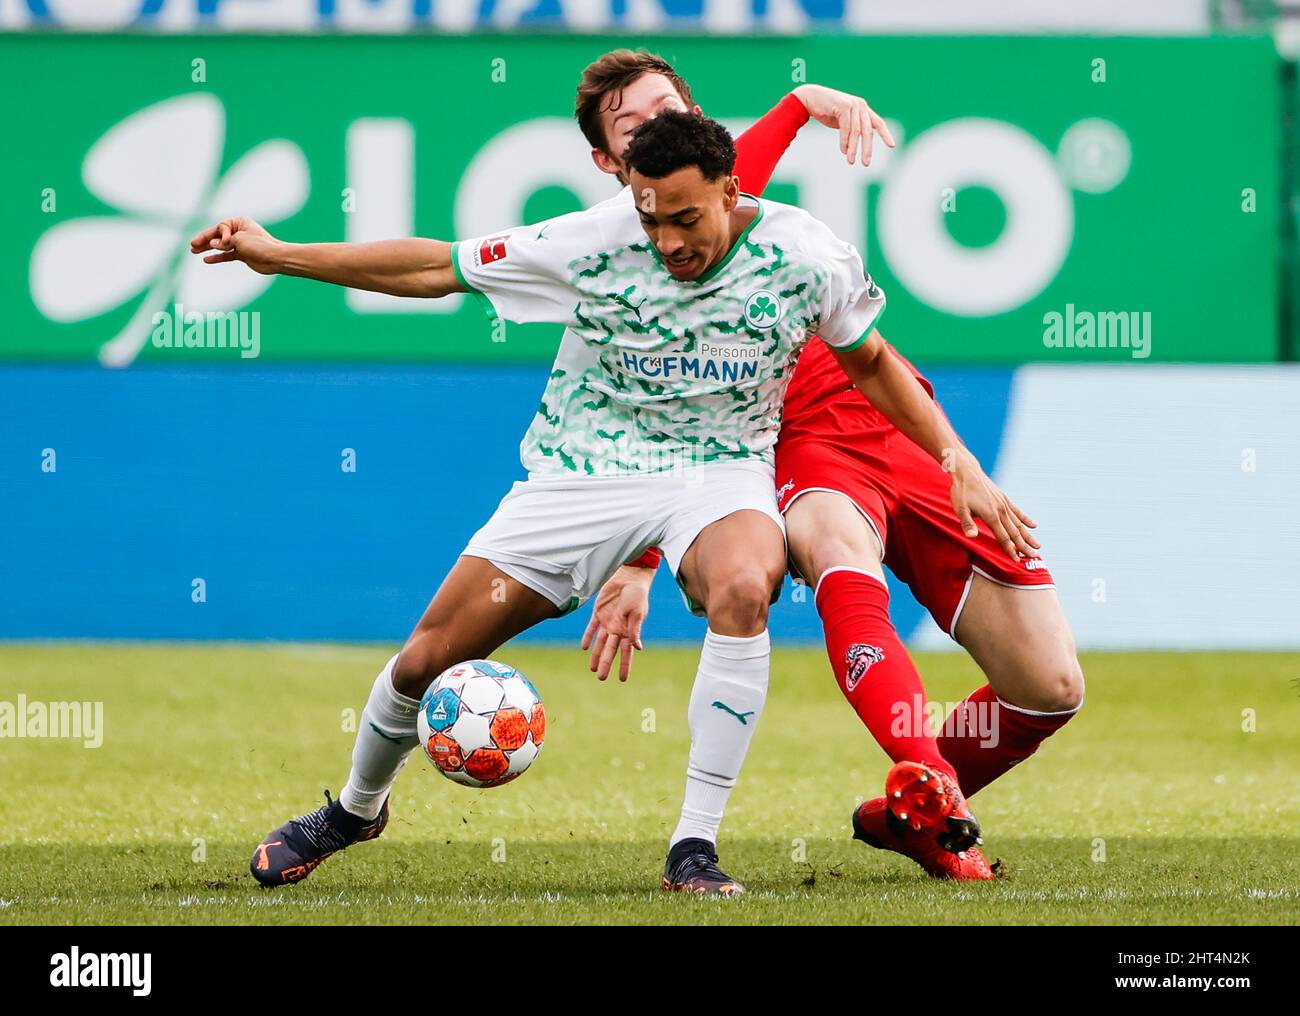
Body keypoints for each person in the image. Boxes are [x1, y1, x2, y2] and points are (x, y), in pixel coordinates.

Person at [192, 108, 1030, 895]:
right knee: (423, 662)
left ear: (732, 195)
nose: (665, 239)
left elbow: (873, 362)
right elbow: (433, 266)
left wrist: (956, 457)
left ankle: (692, 847)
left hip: (721, 468)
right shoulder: (591, 243)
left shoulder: (808, 257)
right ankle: (352, 812)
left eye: (685, 219)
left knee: (743, 587)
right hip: (583, 470)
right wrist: (283, 254)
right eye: (649, 216)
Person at [577, 55, 1084, 881]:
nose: (658, 127)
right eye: (632, 126)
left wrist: (810, 99)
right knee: (841, 556)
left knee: (1049, 686)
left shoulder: (717, 189)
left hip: (895, 424)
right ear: (609, 162)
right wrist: (637, 560)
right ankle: (928, 778)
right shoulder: (616, 258)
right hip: (799, 446)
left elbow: (775, 134)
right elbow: (643, 412)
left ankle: (908, 816)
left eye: (671, 107)